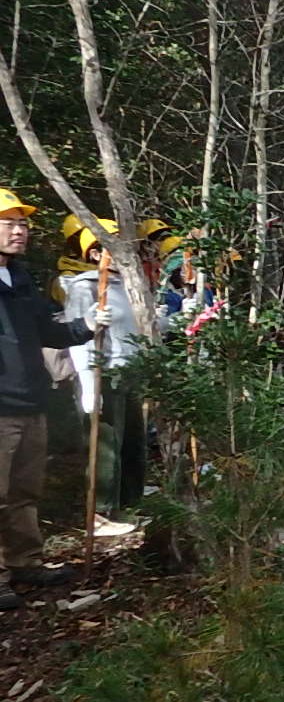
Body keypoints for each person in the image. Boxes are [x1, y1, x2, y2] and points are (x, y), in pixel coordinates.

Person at [0, 188, 103, 608]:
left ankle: (25, 561)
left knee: (25, 490)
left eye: (22, 223)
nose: (20, 230)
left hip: (30, 402)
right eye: (9, 223)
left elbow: (48, 330)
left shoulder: (19, 278)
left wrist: (87, 325)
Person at [62, 220, 160, 534]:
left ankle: (129, 505)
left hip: (130, 371)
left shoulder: (132, 285)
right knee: (106, 445)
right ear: (94, 253)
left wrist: (179, 318)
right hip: (103, 373)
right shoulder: (85, 285)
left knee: (133, 442)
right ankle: (99, 513)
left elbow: (144, 328)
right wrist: (89, 385)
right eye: (110, 244)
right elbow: (77, 338)